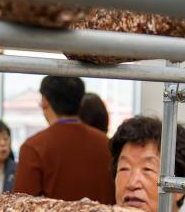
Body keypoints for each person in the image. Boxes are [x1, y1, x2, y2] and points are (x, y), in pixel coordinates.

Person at [13, 76, 114, 204]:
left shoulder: (34, 147)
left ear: (44, 102)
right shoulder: (107, 144)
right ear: (81, 103)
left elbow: (21, 207)